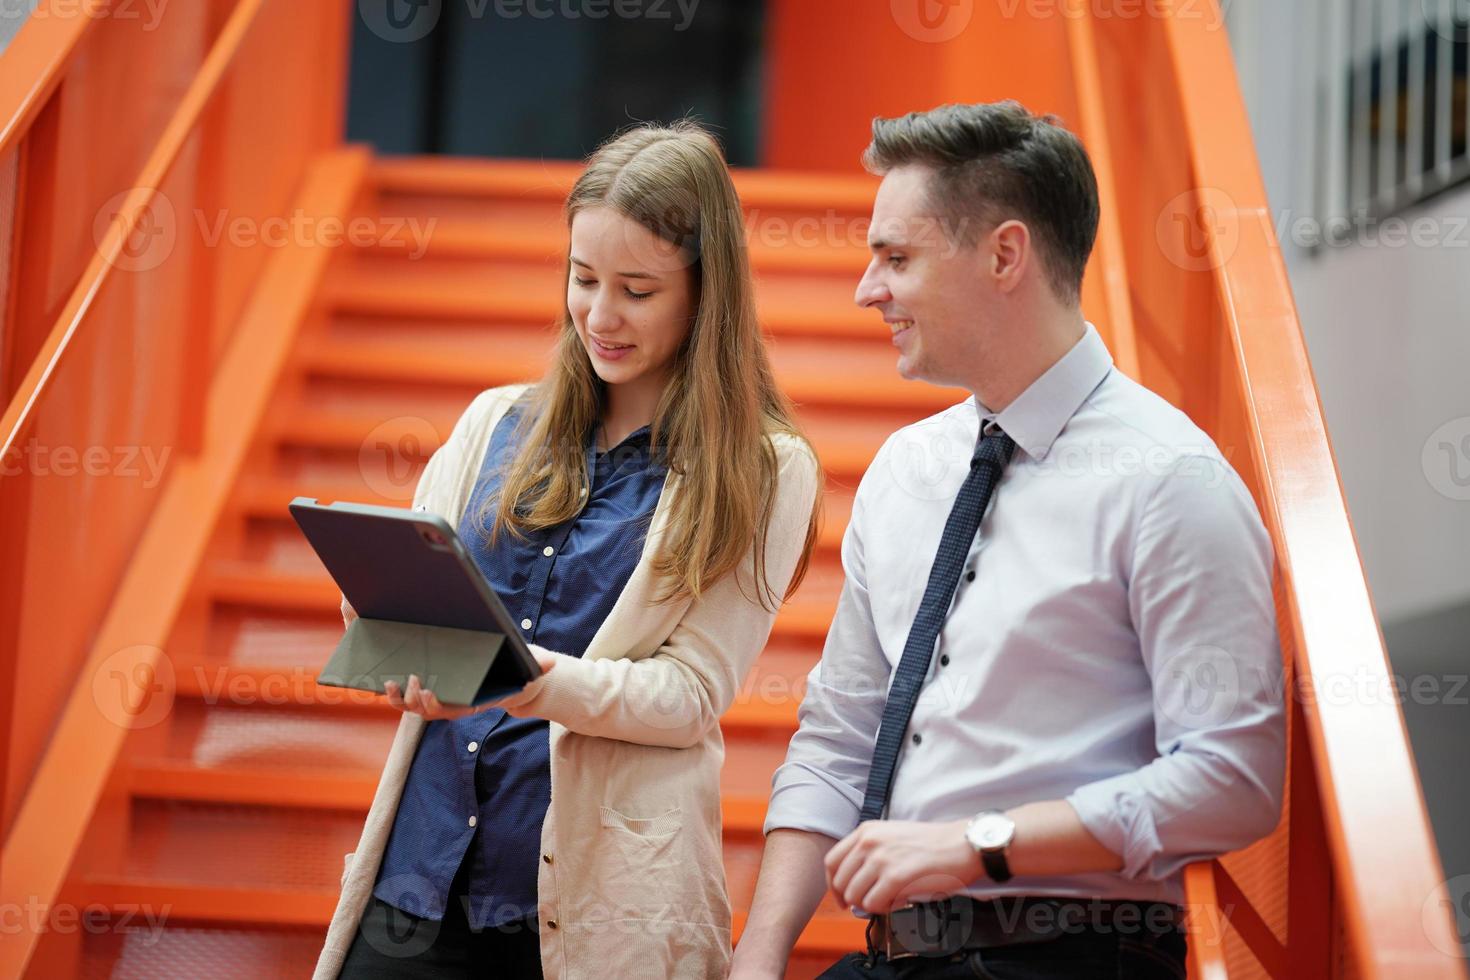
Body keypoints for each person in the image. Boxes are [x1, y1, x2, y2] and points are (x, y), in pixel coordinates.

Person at [729, 101, 1286, 980]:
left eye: (897, 258)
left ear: (1004, 254)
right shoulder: (905, 469)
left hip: (1069, 957)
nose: (867, 290)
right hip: (894, 958)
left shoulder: (1172, 477)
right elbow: (838, 739)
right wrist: (757, 959)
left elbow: (1233, 780)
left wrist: (979, 845)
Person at [312, 120, 822, 980]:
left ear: (707, 294)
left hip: (602, 907)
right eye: (582, 279)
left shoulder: (764, 468)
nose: (599, 314)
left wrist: (529, 678)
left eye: (638, 289)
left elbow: (693, 695)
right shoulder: (493, 422)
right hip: (420, 879)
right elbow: (393, 614)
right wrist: (390, 624)